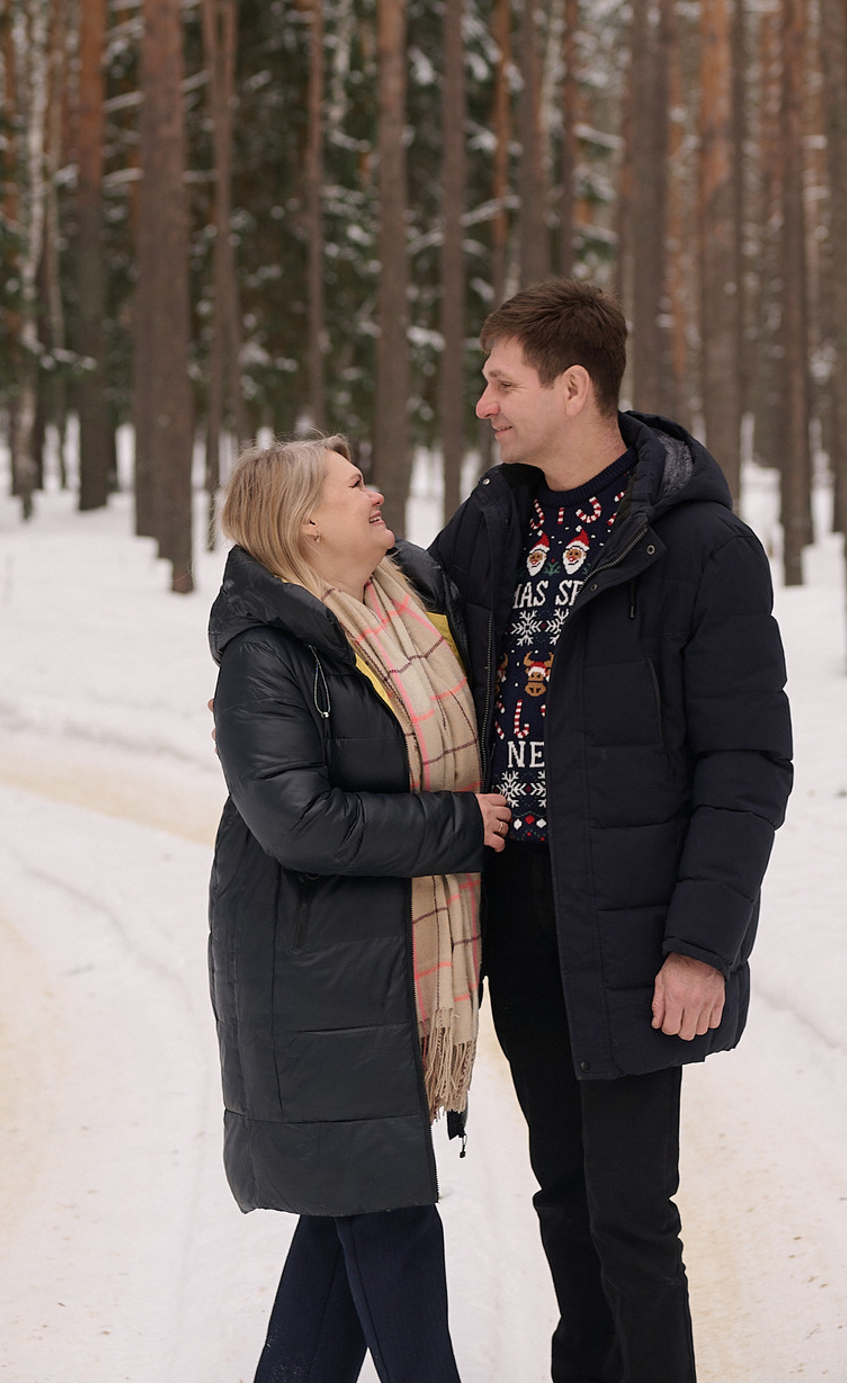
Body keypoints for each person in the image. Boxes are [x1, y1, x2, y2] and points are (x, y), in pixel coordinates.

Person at [429, 277, 793, 1383]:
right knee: (565, 1191)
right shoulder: (496, 522)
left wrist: (702, 944)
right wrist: (270, 672)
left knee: (634, 1208)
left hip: (636, 922)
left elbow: (748, 767)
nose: (484, 404)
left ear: (571, 386)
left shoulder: (700, 547)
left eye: (502, 382)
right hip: (523, 908)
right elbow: (387, 630)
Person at [209, 434, 513, 1383]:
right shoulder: (265, 655)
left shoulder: (417, 597)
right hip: (313, 974)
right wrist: (461, 827)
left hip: (393, 969)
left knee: (352, 1213)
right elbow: (298, 823)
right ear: (306, 519)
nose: (377, 493)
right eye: (353, 485)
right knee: (387, 1216)